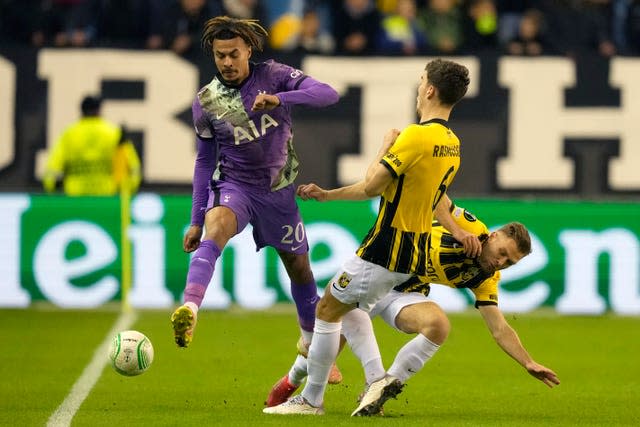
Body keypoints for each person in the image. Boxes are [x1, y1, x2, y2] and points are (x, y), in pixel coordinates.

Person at [263, 58, 471, 416]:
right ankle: (376, 378)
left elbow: (373, 186)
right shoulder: (452, 143)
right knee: (353, 308)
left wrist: (387, 146)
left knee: (326, 309)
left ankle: (311, 400)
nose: (419, 89)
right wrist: (327, 194)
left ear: (431, 90)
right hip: (414, 249)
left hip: (387, 245)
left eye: (421, 82)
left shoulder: (416, 135)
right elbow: (432, 197)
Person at [265, 195, 560, 415]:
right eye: (503, 253)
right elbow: (437, 197)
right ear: (493, 236)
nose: (501, 262)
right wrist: (456, 231)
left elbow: (499, 328)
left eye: (510, 262)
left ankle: (378, 387)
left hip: (404, 291)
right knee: (332, 335)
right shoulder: (471, 226)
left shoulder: (485, 276)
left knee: (439, 325)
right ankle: (295, 381)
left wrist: (528, 362)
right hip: (381, 266)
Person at [169, 15, 343, 381]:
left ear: (248, 49)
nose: (227, 63)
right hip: (236, 186)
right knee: (217, 226)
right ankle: (189, 307)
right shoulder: (206, 101)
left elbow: (329, 94)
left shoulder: (276, 75)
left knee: (299, 269)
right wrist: (196, 219)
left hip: (279, 192)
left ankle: (311, 343)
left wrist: (280, 99)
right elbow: (204, 162)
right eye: (220, 56)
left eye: (234, 54)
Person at [43, 95, 141, 196]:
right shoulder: (114, 133)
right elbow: (133, 166)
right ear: (99, 110)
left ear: (81, 111)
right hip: (106, 195)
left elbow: (52, 167)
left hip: (75, 196)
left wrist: (51, 187)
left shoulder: (69, 134)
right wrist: (128, 188)